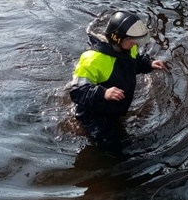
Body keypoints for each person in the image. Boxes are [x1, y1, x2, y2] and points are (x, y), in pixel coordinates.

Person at [69, 11, 167, 146]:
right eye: (132, 41)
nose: (135, 44)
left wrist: (148, 64)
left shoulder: (128, 48)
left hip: (113, 108)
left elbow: (134, 62)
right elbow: (77, 91)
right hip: (93, 115)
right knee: (114, 147)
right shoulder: (92, 59)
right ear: (118, 38)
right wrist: (103, 93)